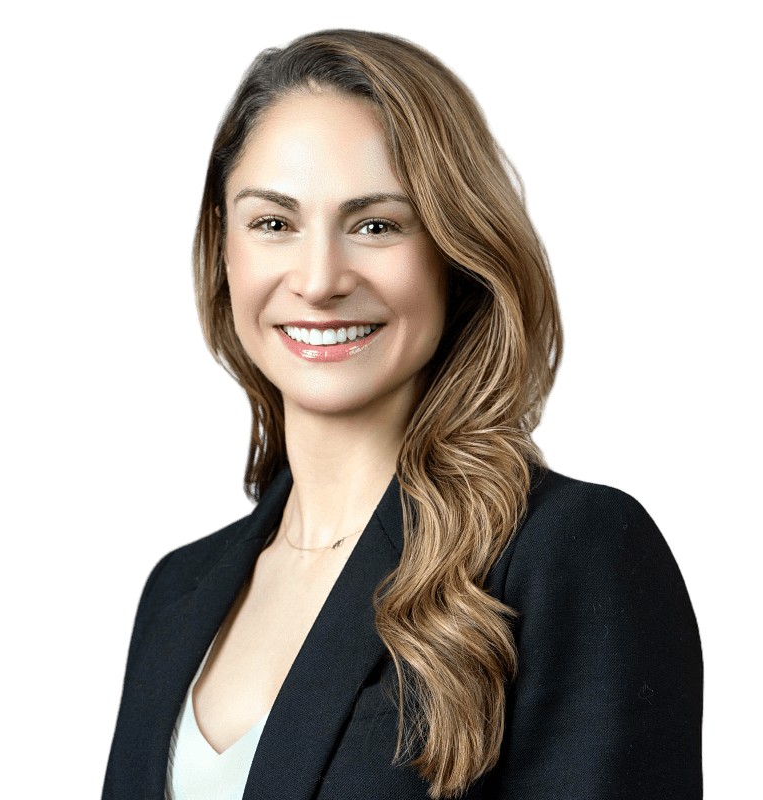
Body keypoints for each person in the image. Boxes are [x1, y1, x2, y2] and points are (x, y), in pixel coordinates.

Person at [101, 29, 703, 800]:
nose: (319, 280)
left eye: (376, 224)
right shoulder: (175, 590)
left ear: (458, 254)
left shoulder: (568, 553)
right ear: (223, 248)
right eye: (274, 223)